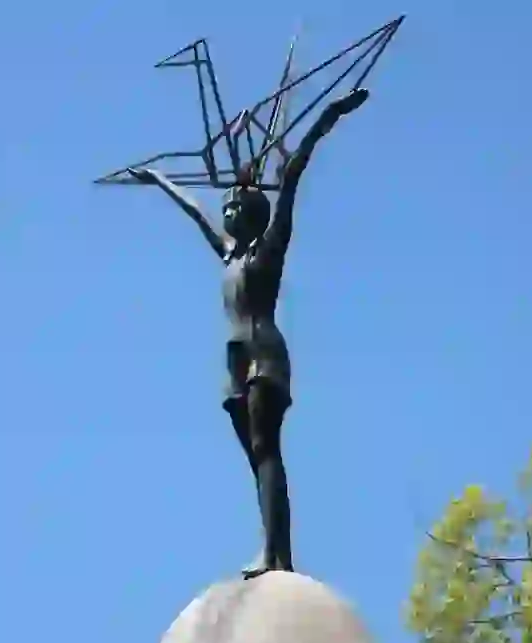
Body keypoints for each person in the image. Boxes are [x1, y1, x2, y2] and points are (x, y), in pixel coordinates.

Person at [129, 87, 369, 578]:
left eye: (238, 208)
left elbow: (293, 172)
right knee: (255, 458)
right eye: (228, 209)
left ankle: (277, 555)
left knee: (266, 451)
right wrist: (159, 180)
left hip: (265, 353)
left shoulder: (269, 249)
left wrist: (329, 115)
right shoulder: (229, 254)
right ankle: (272, 549)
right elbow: (196, 211)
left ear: (257, 215)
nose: (228, 212)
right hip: (234, 362)